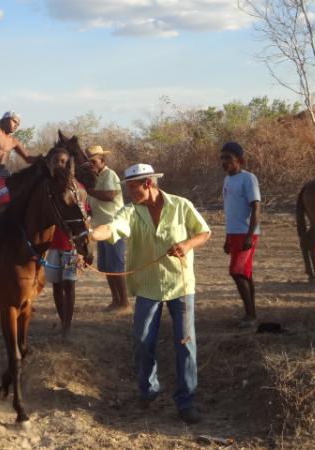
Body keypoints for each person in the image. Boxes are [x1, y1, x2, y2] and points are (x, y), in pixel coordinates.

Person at [89, 163, 211, 424]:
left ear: (149, 183)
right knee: (143, 341)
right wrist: (90, 234)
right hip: (147, 286)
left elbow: (204, 232)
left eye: (134, 187)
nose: (130, 192)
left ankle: (186, 400)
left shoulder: (180, 205)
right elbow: (112, 227)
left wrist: (188, 244)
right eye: (128, 187)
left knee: (186, 344)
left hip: (181, 285)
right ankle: (148, 390)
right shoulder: (131, 211)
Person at [44, 147, 89, 340]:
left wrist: (85, 248)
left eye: (63, 161)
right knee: (56, 284)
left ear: (68, 163)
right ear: (50, 163)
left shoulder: (78, 188)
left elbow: (86, 217)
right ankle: (63, 321)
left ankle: (67, 328)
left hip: (71, 245)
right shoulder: (44, 187)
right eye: (56, 161)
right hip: (52, 244)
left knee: (69, 285)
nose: (59, 165)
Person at [220, 141, 261, 328]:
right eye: (222, 158)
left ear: (240, 160)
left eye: (228, 158)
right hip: (234, 233)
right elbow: (231, 210)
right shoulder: (227, 180)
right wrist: (227, 238)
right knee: (246, 274)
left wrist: (250, 235)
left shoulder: (248, 178)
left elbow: (256, 207)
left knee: (236, 272)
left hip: (246, 233)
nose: (224, 161)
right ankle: (251, 313)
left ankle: (250, 316)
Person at [85, 145, 128, 311]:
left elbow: (110, 195)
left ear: (102, 160)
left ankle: (124, 302)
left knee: (116, 266)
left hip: (113, 226)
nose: (92, 164)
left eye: (94, 161)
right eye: (89, 162)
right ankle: (115, 300)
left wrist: (90, 191)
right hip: (100, 227)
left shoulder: (109, 174)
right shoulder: (94, 177)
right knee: (107, 267)